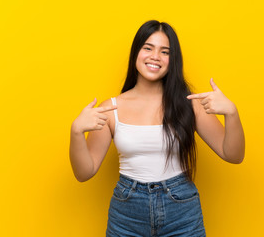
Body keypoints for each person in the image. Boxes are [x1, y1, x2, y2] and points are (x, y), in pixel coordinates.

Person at [69, 20, 245, 237]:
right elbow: (84, 172)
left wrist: (232, 113)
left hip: (182, 211)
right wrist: (76, 132)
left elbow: (233, 155)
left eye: (165, 52)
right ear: (136, 53)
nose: (155, 57)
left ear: (173, 60)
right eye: (148, 48)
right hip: (127, 214)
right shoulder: (110, 108)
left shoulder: (189, 103)